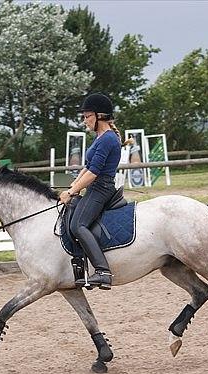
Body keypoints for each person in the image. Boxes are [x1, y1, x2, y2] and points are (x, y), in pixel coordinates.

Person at [59, 93, 131, 290]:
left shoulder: (108, 139)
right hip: (95, 186)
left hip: (101, 188)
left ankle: (102, 271)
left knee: (78, 225)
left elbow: (93, 172)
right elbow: (87, 167)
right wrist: (72, 187)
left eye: (87, 116)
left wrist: (72, 191)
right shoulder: (102, 137)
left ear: (99, 116)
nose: (84, 121)